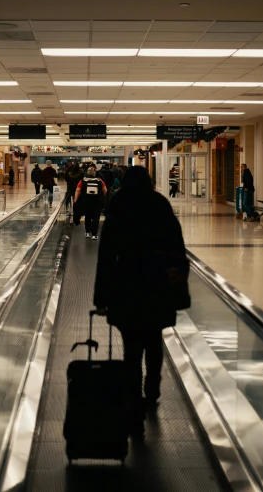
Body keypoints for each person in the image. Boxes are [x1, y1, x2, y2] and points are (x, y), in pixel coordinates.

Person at [95, 166, 189, 435]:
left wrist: (101, 296)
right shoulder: (160, 203)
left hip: (127, 285)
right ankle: (153, 390)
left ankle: (133, 400)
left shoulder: (119, 204)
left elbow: (106, 254)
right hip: (157, 282)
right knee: (154, 337)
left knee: (132, 348)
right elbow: (177, 245)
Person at [74, 167, 107, 240]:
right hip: (97, 202)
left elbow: (77, 190)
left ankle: (87, 232)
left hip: (86, 201)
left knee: (87, 216)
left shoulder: (83, 180)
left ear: (87, 172)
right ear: (94, 173)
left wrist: (75, 200)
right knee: (96, 218)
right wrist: (102, 196)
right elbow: (105, 190)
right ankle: (94, 235)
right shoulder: (99, 180)